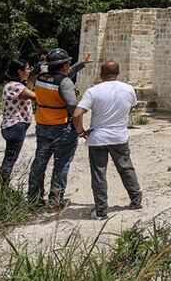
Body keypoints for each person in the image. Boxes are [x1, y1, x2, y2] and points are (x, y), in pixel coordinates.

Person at [71, 60, 143, 220]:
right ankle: (136, 200)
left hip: (98, 138)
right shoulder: (128, 89)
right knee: (126, 168)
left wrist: (80, 131)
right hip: (119, 136)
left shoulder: (93, 91)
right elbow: (131, 107)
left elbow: (77, 114)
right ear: (118, 73)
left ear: (101, 74)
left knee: (99, 173)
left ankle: (101, 211)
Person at [27, 48, 82, 210]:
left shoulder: (41, 78)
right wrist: (79, 126)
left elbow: (61, 78)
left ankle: (34, 198)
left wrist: (81, 64)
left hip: (43, 125)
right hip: (62, 127)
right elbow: (72, 104)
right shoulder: (64, 82)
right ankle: (55, 201)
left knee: (39, 161)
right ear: (64, 66)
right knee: (61, 163)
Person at [0, 59, 37, 183]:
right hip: (15, 127)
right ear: (19, 72)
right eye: (27, 69)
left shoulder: (11, 85)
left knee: (9, 157)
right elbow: (36, 96)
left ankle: (2, 186)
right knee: (10, 159)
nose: (29, 71)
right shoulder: (16, 86)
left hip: (13, 126)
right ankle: (2, 187)